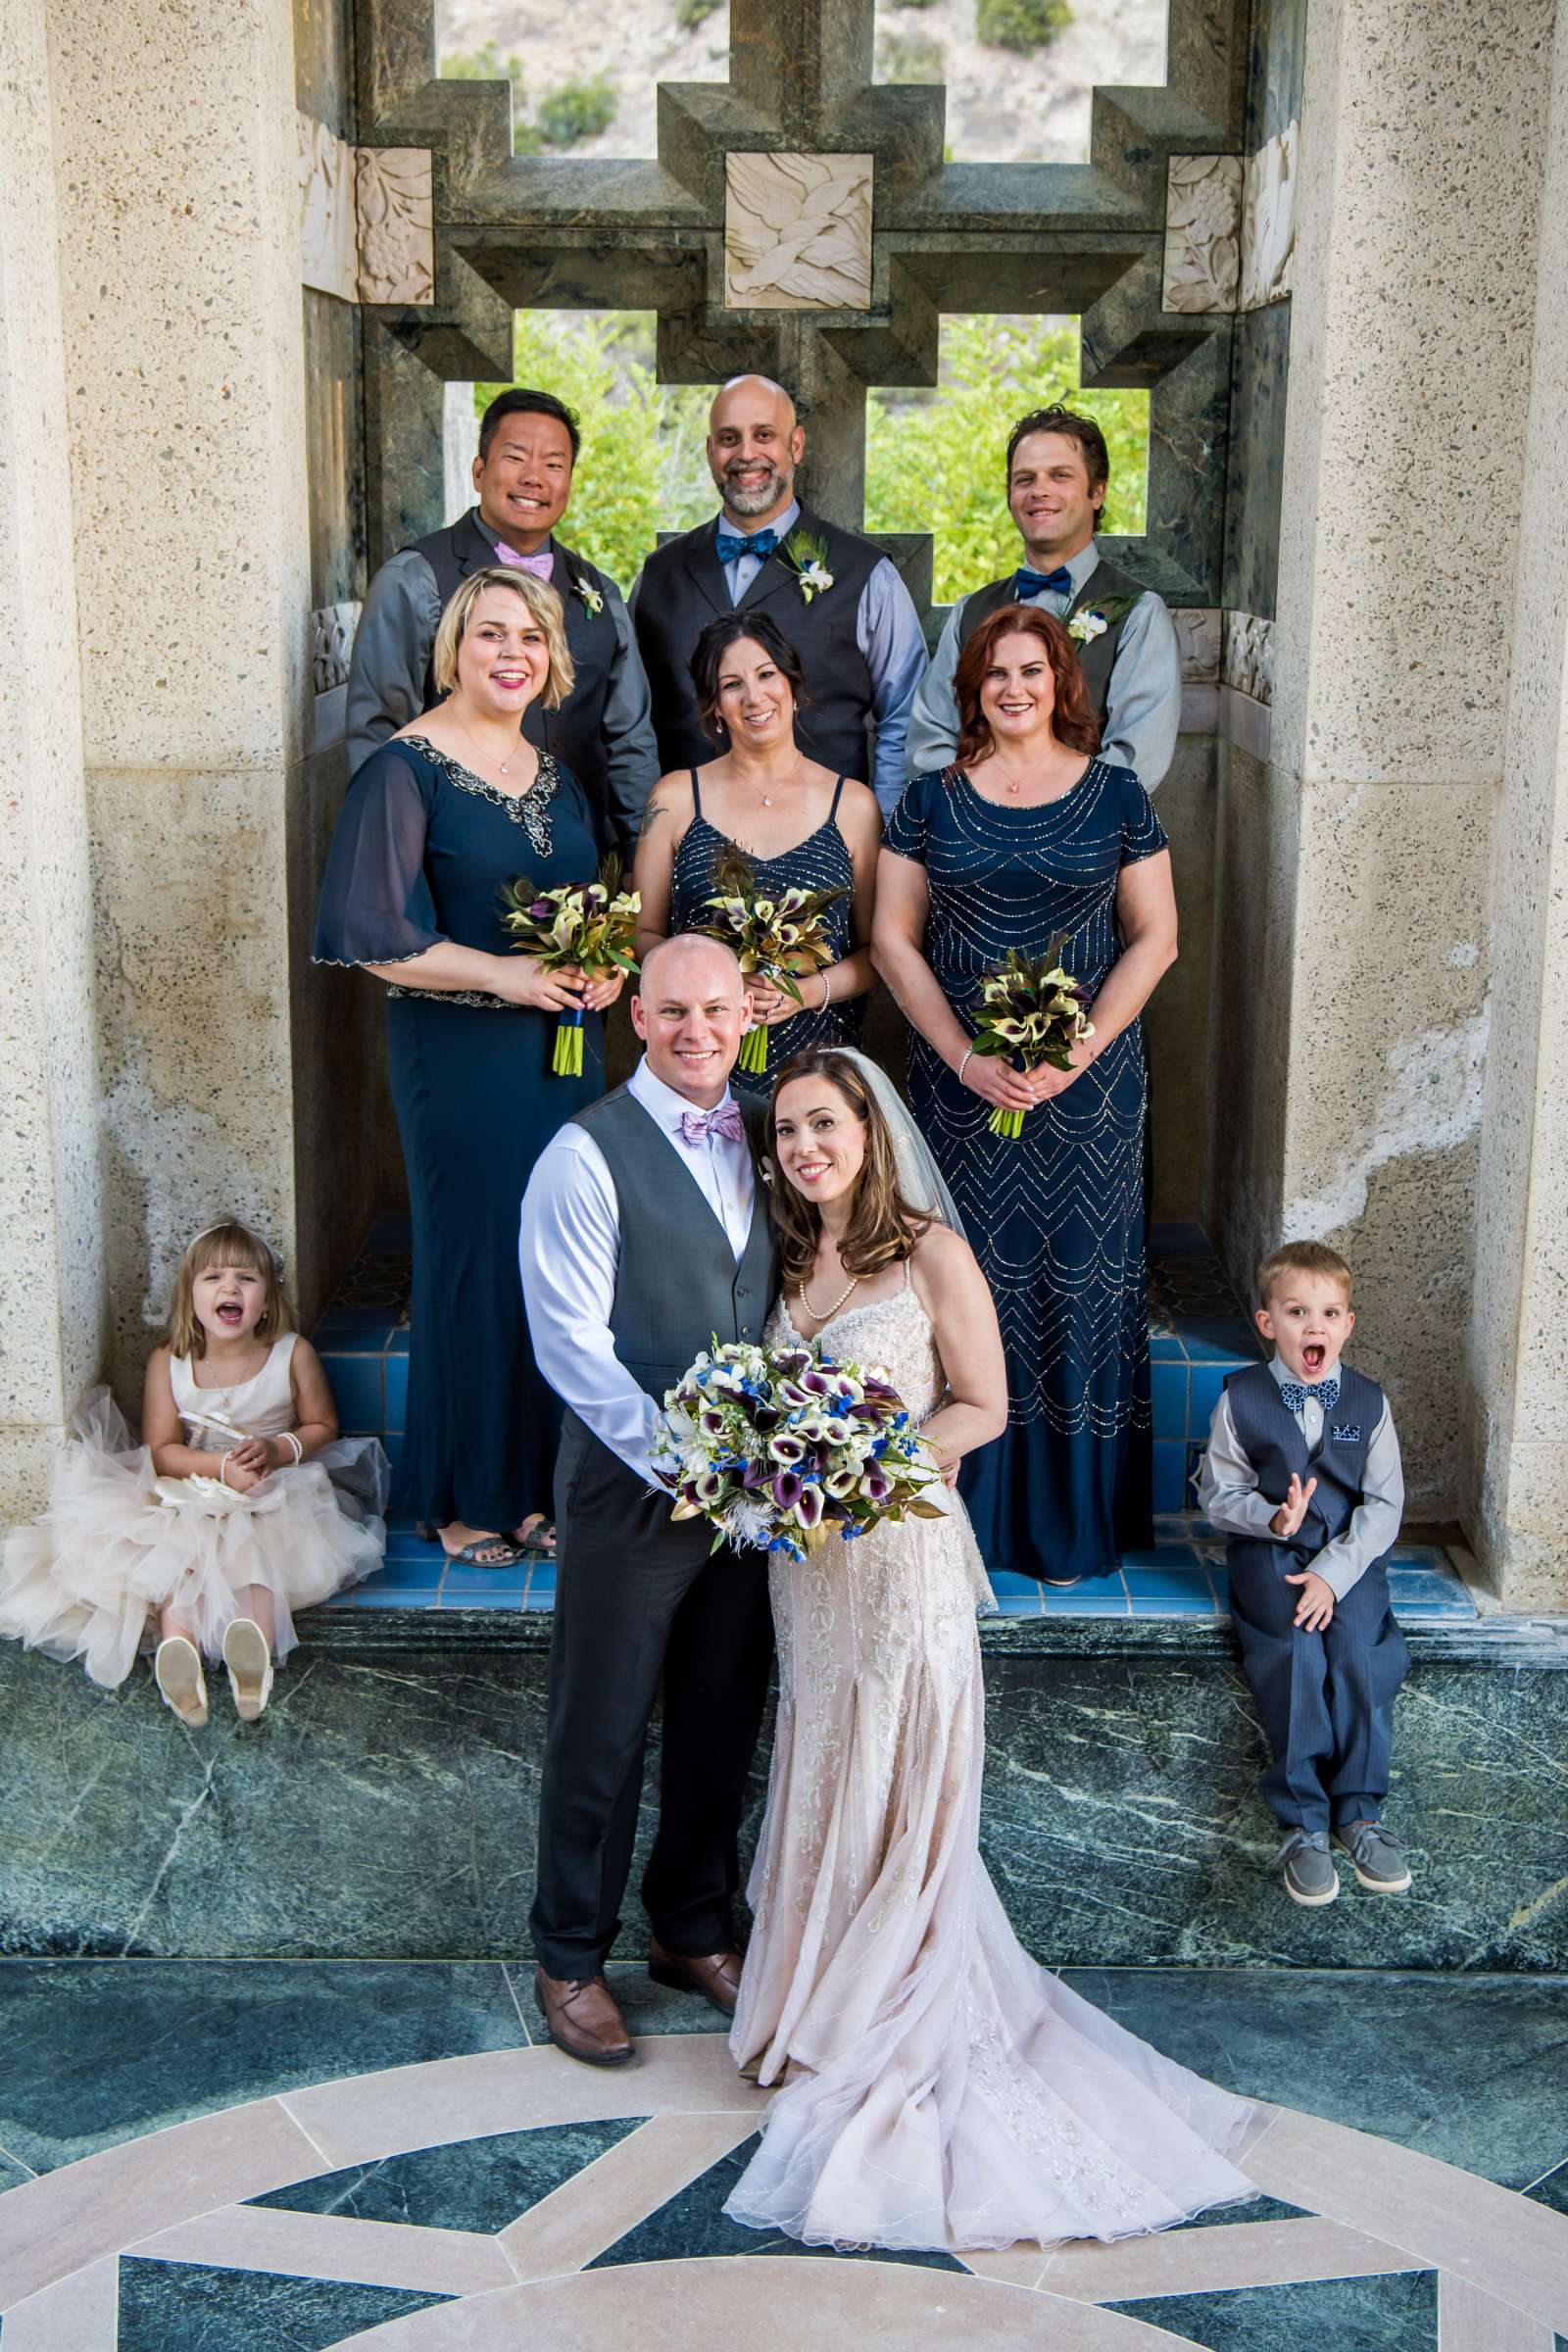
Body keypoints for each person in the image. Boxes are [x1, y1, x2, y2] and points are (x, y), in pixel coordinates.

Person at [723, 1047, 1260, 2252]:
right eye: (789, 1133)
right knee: (825, 1759)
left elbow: (985, 1405)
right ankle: (815, 2000)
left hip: (900, 1559)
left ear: (869, 1130)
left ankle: (880, 2008)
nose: (805, 1148)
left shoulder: (928, 1253)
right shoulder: (788, 1255)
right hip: (807, 1575)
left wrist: (870, 1467)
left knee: (896, 1777)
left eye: (824, 1125)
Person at [315, 568, 626, 1569]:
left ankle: (537, 1485)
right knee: (477, 1261)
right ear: (453, 649)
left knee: (556, 1259)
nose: (512, 654)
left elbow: (585, 906)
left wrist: (601, 970)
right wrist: (508, 975)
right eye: (490, 634)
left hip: (561, 1049)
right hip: (457, 1052)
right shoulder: (403, 773)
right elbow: (370, 934)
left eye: (530, 638)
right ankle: (461, 1496)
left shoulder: (556, 775)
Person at [873, 605, 1177, 1587]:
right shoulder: (927, 801)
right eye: (995, 672)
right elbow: (891, 941)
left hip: (1086, 1098)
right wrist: (965, 1060)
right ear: (971, 689)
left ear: (1061, 684)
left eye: (1032, 670)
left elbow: (1154, 938)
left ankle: (1069, 1530)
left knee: (1080, 1289)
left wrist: (1076, 1054)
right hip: (961, 1092)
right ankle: (971, 1523)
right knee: (970, 1286)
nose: (1014, 687)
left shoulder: (1118, 796)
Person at [519, 935, 778, 2066]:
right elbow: (570, 1347)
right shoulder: (584, 1155)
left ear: (744, 1015)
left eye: (715, 1011)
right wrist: (684, 1463)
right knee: (603, 1723)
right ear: (636, 1015)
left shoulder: (777, 1130)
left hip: (756, 1494)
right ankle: (569, 1954)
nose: (696, 1032)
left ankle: (692, 1928)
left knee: (723, 1711)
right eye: (673, 1011)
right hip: (634, 1490)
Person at [0, 1220, 386, 1725]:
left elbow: (322, 1426)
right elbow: (159, 1450)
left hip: (272, 1487)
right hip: (190, 1486)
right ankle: (177, 1647)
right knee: (176, 1559)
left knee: (257, 1553)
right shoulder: (171, 1360)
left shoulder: (292, 1353)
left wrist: (275, 1447)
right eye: (214, 1278)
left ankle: (251, 1648)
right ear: (190, 1297)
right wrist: (219, 1466)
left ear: (267, 1300)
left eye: (246, 1279)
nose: (230, 1288)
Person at [346, 387, 660, 855]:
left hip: (581, 867)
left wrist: (640, 855)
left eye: (554, 465)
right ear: (479, 471)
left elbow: (630, 740)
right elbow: (379, 734)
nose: (534, 478)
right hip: (456, 860)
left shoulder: (601, 592)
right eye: (515, 458)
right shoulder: (413, 580)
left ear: (570, 481)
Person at [1198, 1242, 1411, 1909]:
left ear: (1348, 1324)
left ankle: (1360, 1812)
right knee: (1293, 1653)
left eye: (1328, 1312)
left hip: (1347, 1557)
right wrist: (1271, 1520)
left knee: (1362, 1655)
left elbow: (1384, 1506)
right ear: (1268, 1323)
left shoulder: (1371, 1405)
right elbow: (1216, 1492)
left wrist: (1334, 1573)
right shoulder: (1241, 1399)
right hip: (1272, 1554)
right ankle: (1303, 1823)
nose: (1313, 1326)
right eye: (1296, 1311)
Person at [630, 374, 927, 815]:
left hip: (827, 851)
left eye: (764, 435)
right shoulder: (657, 574)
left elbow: (904, 719)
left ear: (796, 445)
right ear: (711, 452)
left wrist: (884, 836)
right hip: (689, 850)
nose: (746, 454)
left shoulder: (868, 575)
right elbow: (629, 724)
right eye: (729, 439)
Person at [634, 612, 881, 1097]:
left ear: (792, 685)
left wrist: (804, 992)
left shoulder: (853, 805)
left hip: (818, 1072)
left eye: (767, 674)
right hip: (699, 1066)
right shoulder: (675, 798)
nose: (754, 697)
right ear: (715, 707)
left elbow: (879, 953)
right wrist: (720, 982)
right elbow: (639, 933)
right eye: (732, 684)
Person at [906, 404, 1182, 791]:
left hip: (1084, 842)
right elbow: (928, 741)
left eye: (1059, 475)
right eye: (1024, 479)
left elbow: (1135, 764)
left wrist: (1043, 821)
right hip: (976, 836)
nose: (1039, 491)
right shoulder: (971, 611)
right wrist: (985, 812)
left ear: (1097, 492)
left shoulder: (1140, 614)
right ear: (1010, 496)